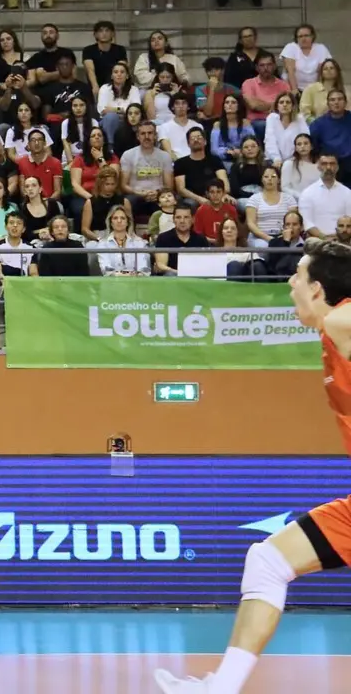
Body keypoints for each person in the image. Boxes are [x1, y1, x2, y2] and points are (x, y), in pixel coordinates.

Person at [155, 239, 351, 693]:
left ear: (317, 289)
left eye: (297, 275)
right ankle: (222, 685)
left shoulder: (342, 319)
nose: (289, 282)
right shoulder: (331, 333)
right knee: (267, 560)